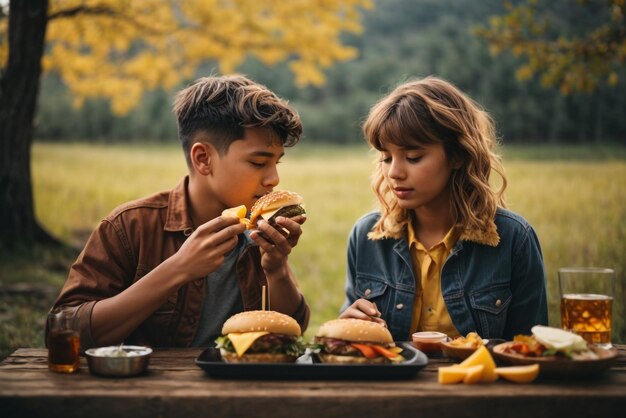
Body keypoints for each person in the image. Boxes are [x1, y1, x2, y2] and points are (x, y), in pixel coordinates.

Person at [47, 75, 310, 349]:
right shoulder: (129, 227)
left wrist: (277, 270)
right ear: (203, 159)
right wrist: (178, 269)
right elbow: (63, 332)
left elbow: (291, 334)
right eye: (258, 162)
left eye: (276, 163)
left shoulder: (259, 232)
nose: (274, 179)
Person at [340, 76, 547, 342]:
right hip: (391, 384)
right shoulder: (365, 236)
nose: (394, 173)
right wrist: (350, 324)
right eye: (386, 157)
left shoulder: (514, 239)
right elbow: (352, 342)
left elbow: (530, 349)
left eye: (413, 157)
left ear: (459, 155)